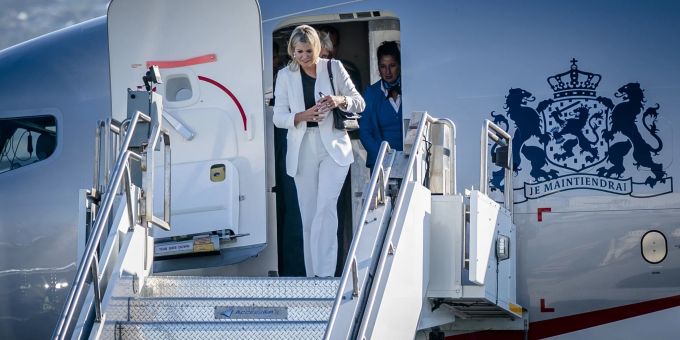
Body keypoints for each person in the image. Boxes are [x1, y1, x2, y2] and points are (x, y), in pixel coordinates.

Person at [273, 25, 365, 277]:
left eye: (308, 50)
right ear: (292, 50)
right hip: (303, 147)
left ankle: (324, 275)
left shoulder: (333, 67)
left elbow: (360, 102)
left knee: (326, 209)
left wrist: (339, 100)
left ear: (317, 48)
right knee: (309, 214)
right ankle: (312, 275)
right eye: (299, 51)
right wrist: (303, 115)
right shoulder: (285, 75)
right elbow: (278, 117)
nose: (304, 56)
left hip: (333, 147)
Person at [359, 41, 402, 171]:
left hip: (411, 160)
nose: (388, 71)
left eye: (392, 65)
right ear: (378, 67)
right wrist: (383, 157)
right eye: (383, 66)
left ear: (400, 65)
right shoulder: (370, 93)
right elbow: (364, 132)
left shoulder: (413, 89)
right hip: (381, 162)